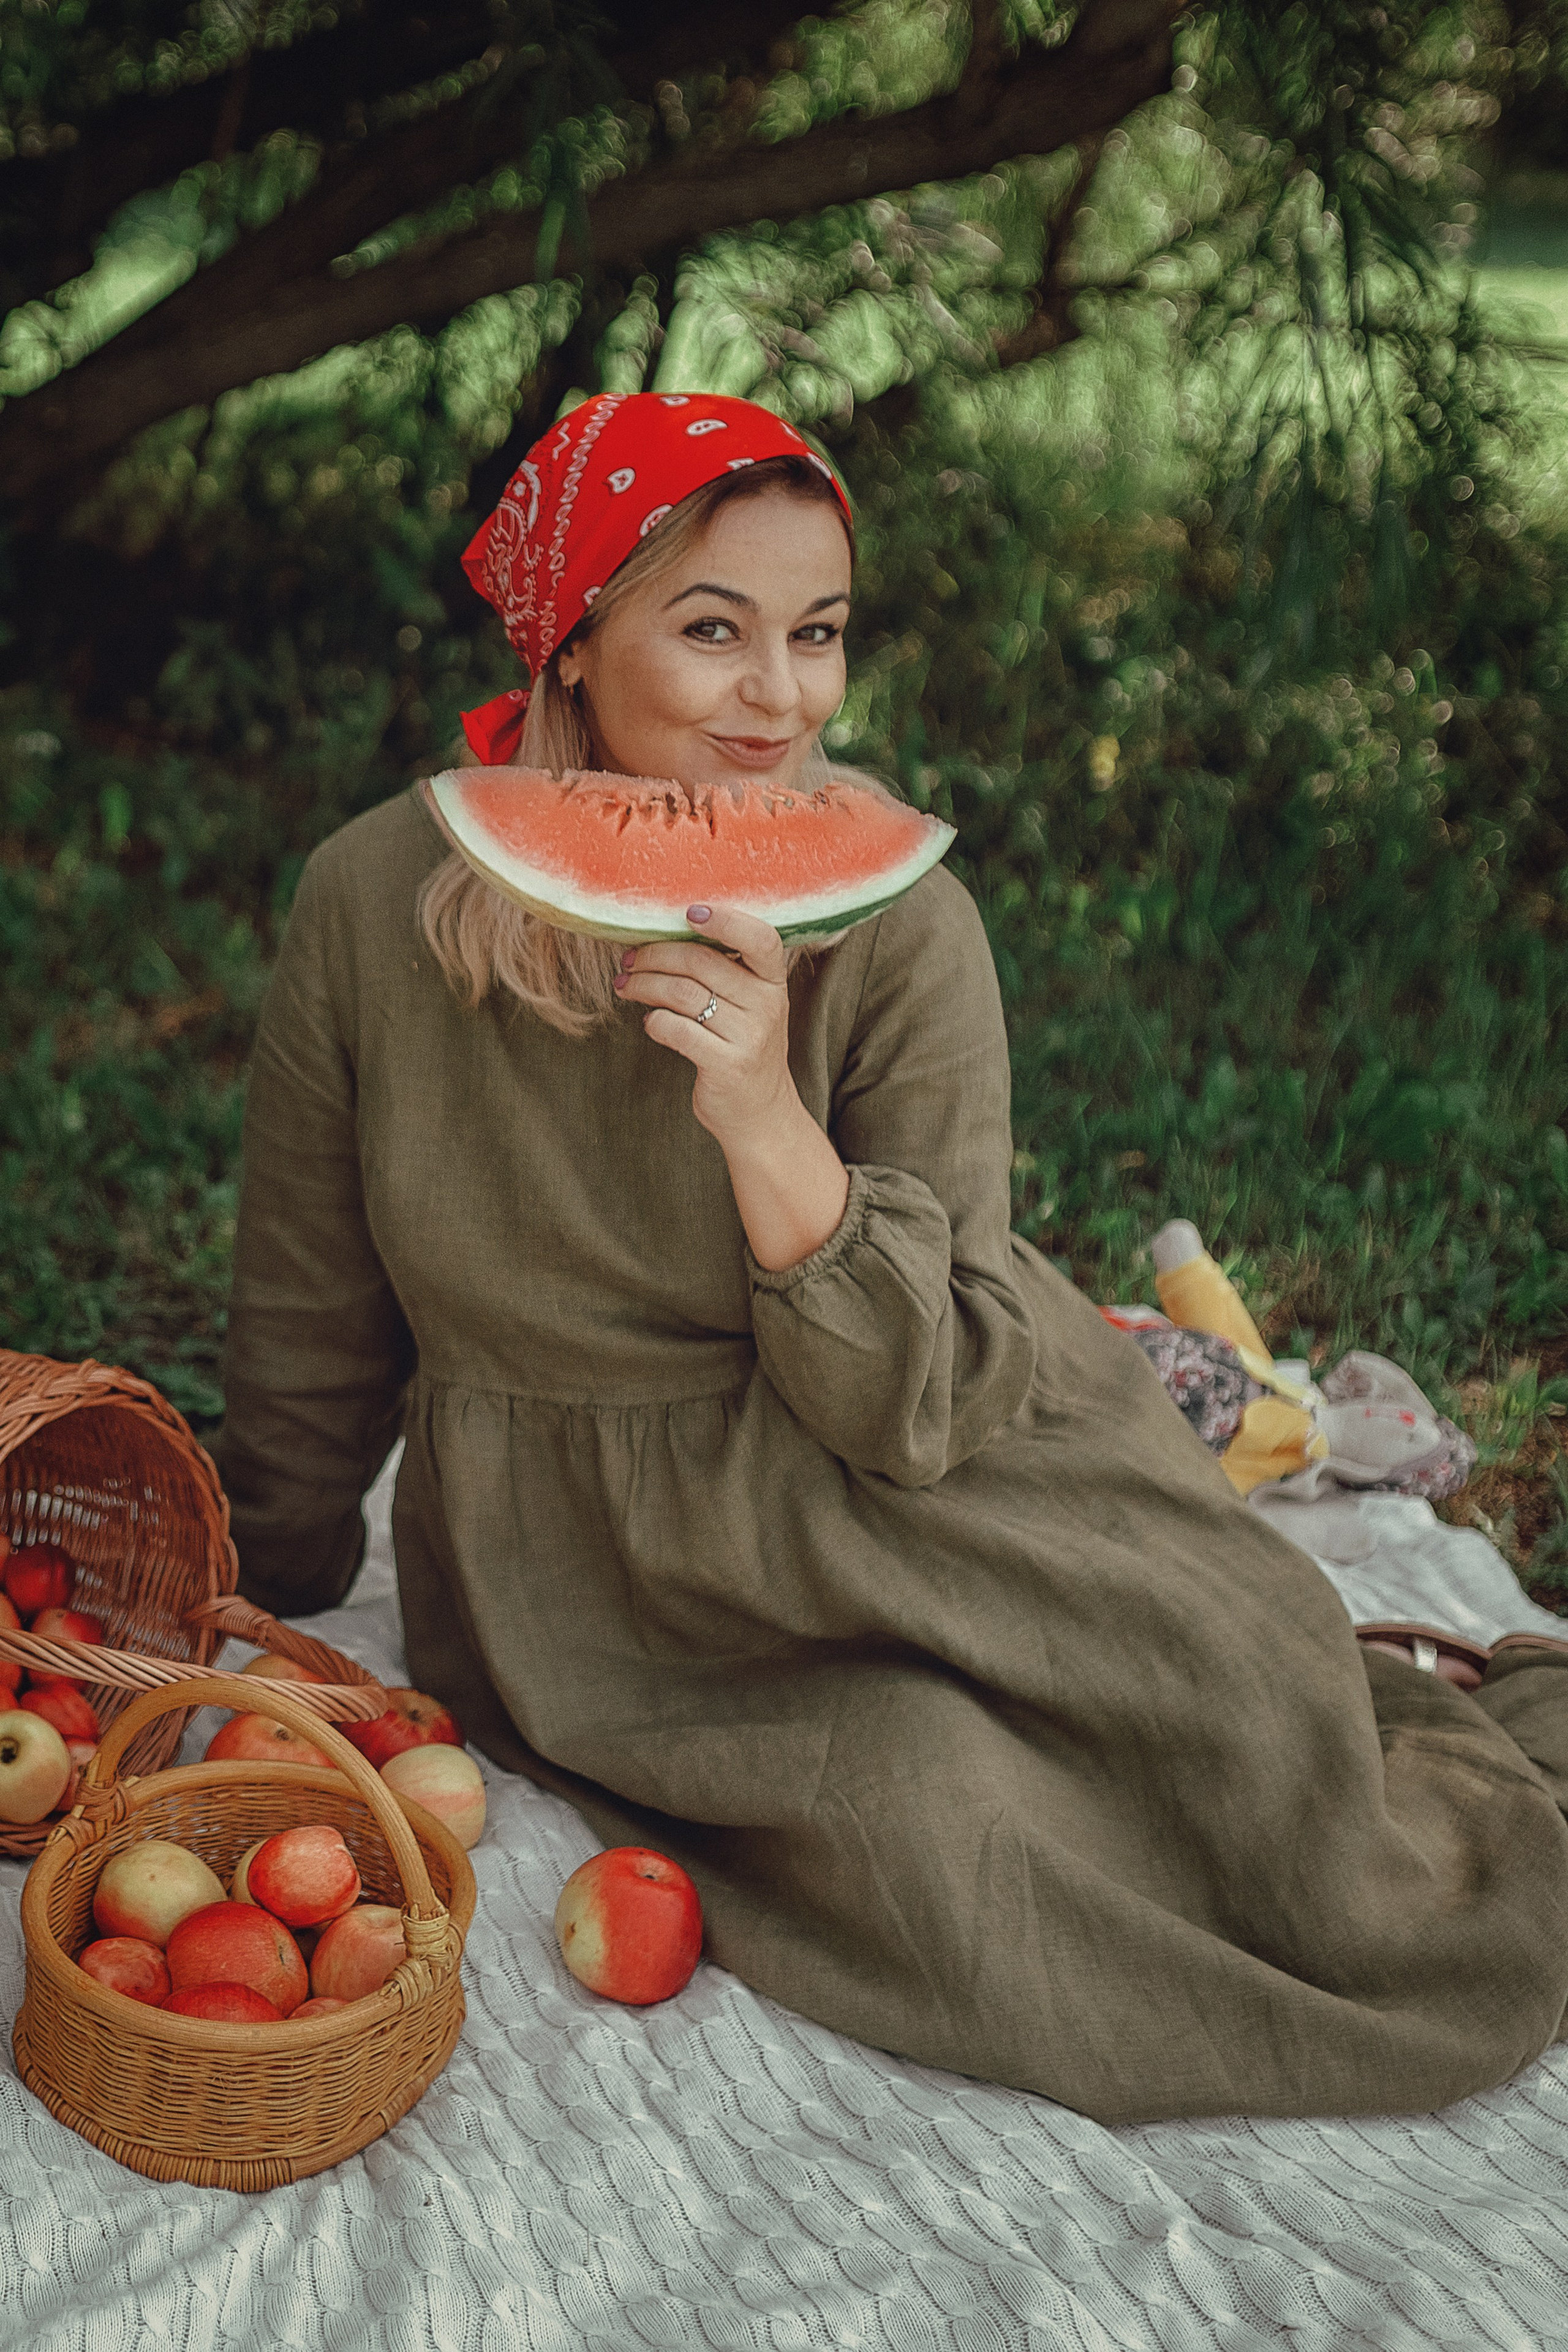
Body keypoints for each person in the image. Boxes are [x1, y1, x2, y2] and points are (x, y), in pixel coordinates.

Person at [217, 391, 1568, 2126]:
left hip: (919, 1471)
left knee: (1275, 1772)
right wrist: (261, 1578)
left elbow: (926, 1398)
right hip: (584, 1592)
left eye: (821, 634)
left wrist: (769, 1120)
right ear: (575, 636)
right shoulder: (367, 898)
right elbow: (308, 1313)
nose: (783, 697)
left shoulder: (907, 918)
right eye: (714, 631)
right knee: (946, 1839)